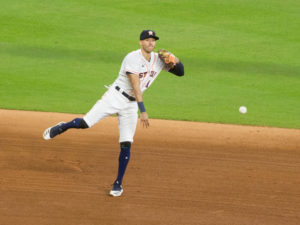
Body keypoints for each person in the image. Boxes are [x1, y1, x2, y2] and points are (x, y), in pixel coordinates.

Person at [43, 30, 184, 197]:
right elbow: (136, 86)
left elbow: (181, 72)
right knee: (85, 123)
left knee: (126, 143)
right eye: (147, 40)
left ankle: (118, 182)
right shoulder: (132, 58)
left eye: (153, 40)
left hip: (130, 105)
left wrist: (173, 58)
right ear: (140, 42)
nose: (151, 43)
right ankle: (63, 126)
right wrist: (143, 110)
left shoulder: (158, 60)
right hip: (115, 96)